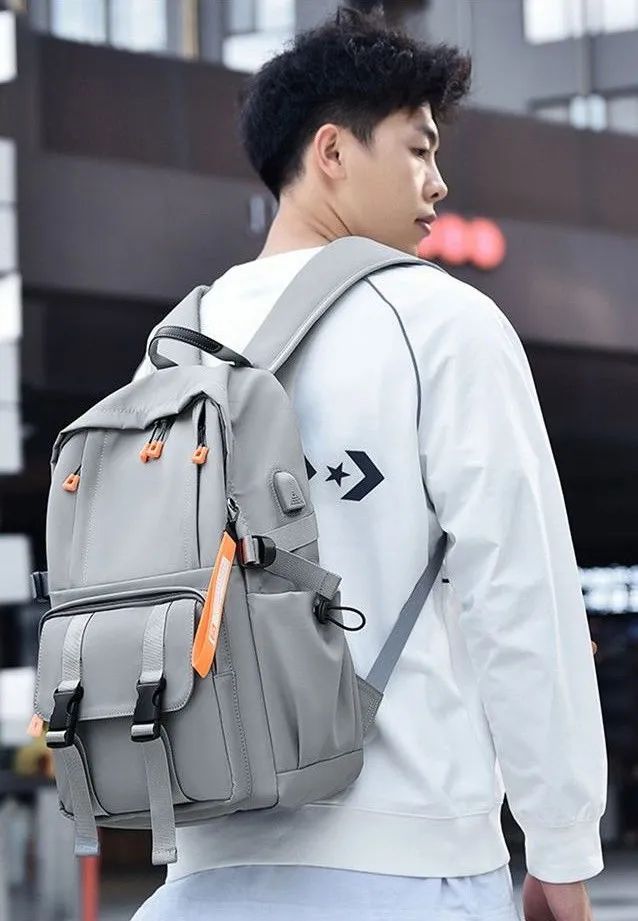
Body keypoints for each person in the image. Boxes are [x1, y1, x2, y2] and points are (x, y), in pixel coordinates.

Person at [132, 7, 607, 920]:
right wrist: (561, 846)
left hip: (199, 869)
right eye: (418, 148)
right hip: (410, 863)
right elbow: (522, 596)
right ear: (332, 152)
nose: (439, 181)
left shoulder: (171, 348)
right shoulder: (441, 321)